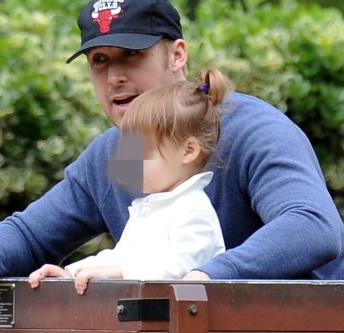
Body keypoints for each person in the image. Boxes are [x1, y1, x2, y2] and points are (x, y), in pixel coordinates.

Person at [0, 0, 344, 310]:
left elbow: (312, 227)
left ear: (177, 55)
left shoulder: (252, 129)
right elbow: (31, 234)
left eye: (130, 56)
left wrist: (203, 279)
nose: (114, 77)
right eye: (99, 61)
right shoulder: (117, 152)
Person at [27, 69, 229, 295]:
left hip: (189, 327)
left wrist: (119, 271)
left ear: (188, 151)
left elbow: (179, 266)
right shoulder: (155, 207)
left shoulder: (193, 209)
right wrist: (72, 273)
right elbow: (121, 256)